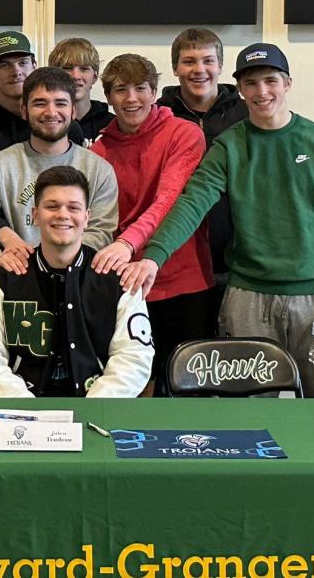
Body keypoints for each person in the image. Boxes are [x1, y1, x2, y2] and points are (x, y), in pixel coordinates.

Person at [123, 43, 314, 398]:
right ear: (240, 90)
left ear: (288, 83)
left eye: (271, 81)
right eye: (251, 84)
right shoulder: (229, 146)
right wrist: (154, 255)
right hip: (248, 299)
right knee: (249, 411)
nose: (262, 92)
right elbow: (192, 203)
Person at [0, 165, 153, 398]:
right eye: (52, 206)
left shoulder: (117, 281)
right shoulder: (5, 279)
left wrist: (94, 408)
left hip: (97, 408)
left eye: (73, 207)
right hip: (20, 412)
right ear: (35, 215)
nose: (63, 214)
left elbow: (134, 357)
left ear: (87, 218)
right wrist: (26, 409)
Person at [0, 67, 119, 319]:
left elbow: (101, 230)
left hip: (78, 294)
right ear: (24, 110)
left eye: (60, 103)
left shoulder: (98, 169)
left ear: (73, 110)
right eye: (40, 103)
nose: (51, 112)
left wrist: (57, 265)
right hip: (12, 296)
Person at [90, 54, 213, 395]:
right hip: (128, 283)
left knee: (187, 385)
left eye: (140, 88)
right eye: (120, 90)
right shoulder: (99, 151)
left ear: (155, 91)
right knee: (136, 380)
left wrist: (127, 243)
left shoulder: (185, 134)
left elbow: (169, 200)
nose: (131, 99)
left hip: (184, 280)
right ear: (109, 97)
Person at [155, 27, 246, 330]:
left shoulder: (246, 114)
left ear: (221, 66)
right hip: (177, 263)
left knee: (234, 360)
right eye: (189, 61)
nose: (199, 70)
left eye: (208, 61)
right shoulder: (159, 115)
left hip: (237, 261)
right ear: (175, 68)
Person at [0, 30, 85, 168]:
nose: (16, 72)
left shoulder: (62, 125)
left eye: (22, 63)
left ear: (34, 65)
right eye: (4, 65)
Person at [49, 36, 114, 142]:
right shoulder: (46, 123)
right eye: (67, 68)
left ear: (95, 76)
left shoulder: (112, 125)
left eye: (84, 69)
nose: (75, 76)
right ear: (54, 75)